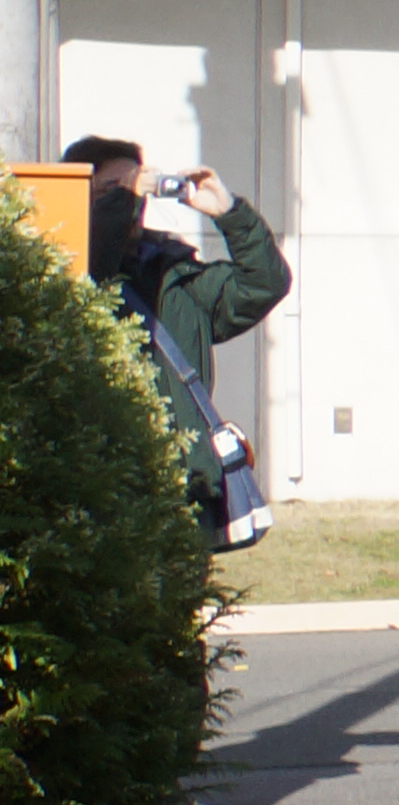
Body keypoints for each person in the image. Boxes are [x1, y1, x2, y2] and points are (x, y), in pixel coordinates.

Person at [66, 135, 286, 546]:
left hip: (185, 490)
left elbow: (264, 284)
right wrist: (123, 197)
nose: (131, 200)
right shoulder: (69, 275)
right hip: (101, 493)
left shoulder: (173, 273)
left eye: (133, 188)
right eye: (111, 191)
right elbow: (91, 266)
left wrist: (229, 213)